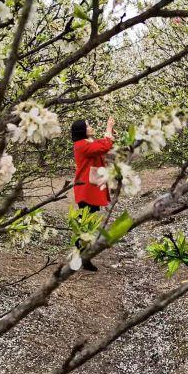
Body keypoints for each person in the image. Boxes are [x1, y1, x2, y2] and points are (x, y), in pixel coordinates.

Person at [71, 116, 115, 271]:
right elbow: (104, 146)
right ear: (82, 130)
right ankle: (81, 255)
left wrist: (109, 135)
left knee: (88, 221)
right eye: (87, 126)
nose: (90, 127)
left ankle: (83, 255)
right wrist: (108, 129)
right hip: (86, 189)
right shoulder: (81, 145)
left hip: (89, 187)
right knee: (86, 222)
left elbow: (103, 145)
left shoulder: (86, 143)